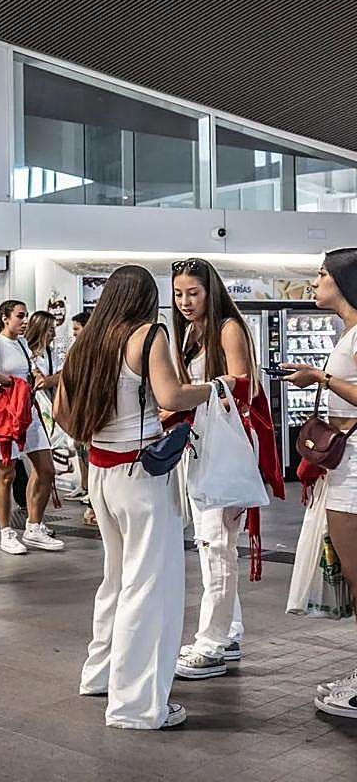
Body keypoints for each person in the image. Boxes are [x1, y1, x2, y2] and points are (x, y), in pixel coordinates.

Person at [55, 265, 227, 730]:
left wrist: (104, 434)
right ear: (149, 299)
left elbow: (64, 414)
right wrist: (214, 388)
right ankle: (136, 705)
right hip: (143, 475)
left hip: (103, 475)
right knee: (149, 585)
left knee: (116, 579)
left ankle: (102, 675)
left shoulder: (87, 341)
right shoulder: (148, 335)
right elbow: (171, 393)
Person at [170, 259, 280, 680]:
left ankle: (212, 643)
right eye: (179, 293)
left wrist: (192, 394)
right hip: (202, 444)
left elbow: (242, 383)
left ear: (209, 291)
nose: (184, 301)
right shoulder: (193, 332)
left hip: (224, 445)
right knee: (210, 543)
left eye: (192, 293)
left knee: (217, 544)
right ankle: (227, 631)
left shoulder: (227, 328)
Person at [280, 248, 357, 719]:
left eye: (323, 273)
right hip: (345, 466)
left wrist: (321, 377)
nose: (314, 281)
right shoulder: (348, 333)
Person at [0, 300, 62, 554]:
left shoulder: (23, 343)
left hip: (27, 410)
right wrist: (11, 383)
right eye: (20, 316)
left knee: (46, 469)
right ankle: (6, 532)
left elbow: (31, 368)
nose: (25, 321)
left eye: (25, 316)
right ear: (5, 318)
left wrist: (35, 377)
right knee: (6, 473)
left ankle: (34, 526)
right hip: (4, 413)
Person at [69, 311, 92, 508]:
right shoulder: (78, 349)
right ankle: (86, 486)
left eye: (77, 329)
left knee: (87, 447)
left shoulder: (92, 349)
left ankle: (91, 489)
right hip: (79, 404)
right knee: (81, 446)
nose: (74, 333)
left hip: (87, 405)